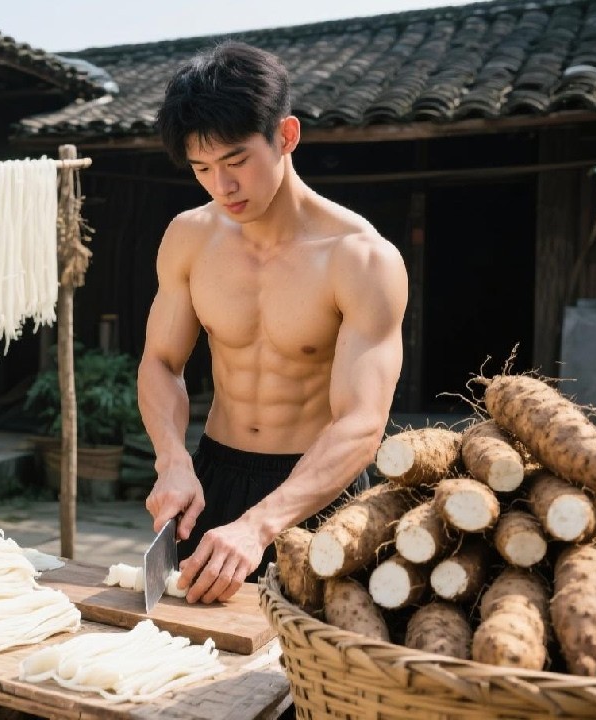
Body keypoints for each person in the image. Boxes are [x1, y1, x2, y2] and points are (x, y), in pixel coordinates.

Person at [139, 40, 408, 605]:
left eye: (237, 161)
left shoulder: (359, 257)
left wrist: (262, 525)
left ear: (286, 136)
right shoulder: (189, 236)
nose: (222, 186)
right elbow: (162, 363)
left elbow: (362, 421)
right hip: (214, 478)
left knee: (307, 679)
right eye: (203, 168)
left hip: (318, 494)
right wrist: (172, 459)